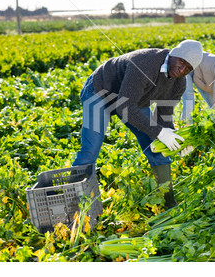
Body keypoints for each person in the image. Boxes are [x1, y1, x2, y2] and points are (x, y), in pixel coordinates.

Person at [72, 40, 204, 208]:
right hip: (100, 92)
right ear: (173, 54)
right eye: (181, 62)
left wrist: (177, 139)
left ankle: (168, 202)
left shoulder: (179, 83)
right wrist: (161, 132)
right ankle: (73, 202)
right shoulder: (145, 62)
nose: (182, 69)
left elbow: (163, 116)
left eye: (188, 68)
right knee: (90, 150)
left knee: (156, 147)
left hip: (133, 101)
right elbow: (124, 107)